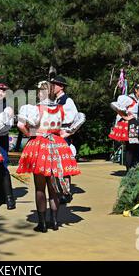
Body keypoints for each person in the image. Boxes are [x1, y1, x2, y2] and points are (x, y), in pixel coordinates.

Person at [17, 81, 80, 233]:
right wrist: (63, 134)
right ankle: (55, 222)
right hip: (58, 145)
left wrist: (31, 134)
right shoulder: (61, 109)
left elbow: (20, 125)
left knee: (40, 187)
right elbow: (74, 124)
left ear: (41, 93)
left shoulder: (35, 109)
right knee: (54, 188)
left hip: (40, 145)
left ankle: (42, 224)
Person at [50, 76, 84, 204]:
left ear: (61, 87)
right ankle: (58, 190)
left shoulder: (67, 101)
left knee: (63, 163)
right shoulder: (55, 100)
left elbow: (76, 119)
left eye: (55, 85)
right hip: (54, 134)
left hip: (63, 135)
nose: (52, 87)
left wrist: (67, 133)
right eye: (52, 85)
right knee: (54, 163)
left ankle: (66, 192)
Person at [108, 82, 139, 171]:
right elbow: (115, 105)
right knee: (130, 148)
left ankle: (134, 168)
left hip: (136, 125)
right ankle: (129, 170)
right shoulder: (129, 99)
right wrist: (125, 116)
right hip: (130, 126)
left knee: (136, 148)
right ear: (136, 90)